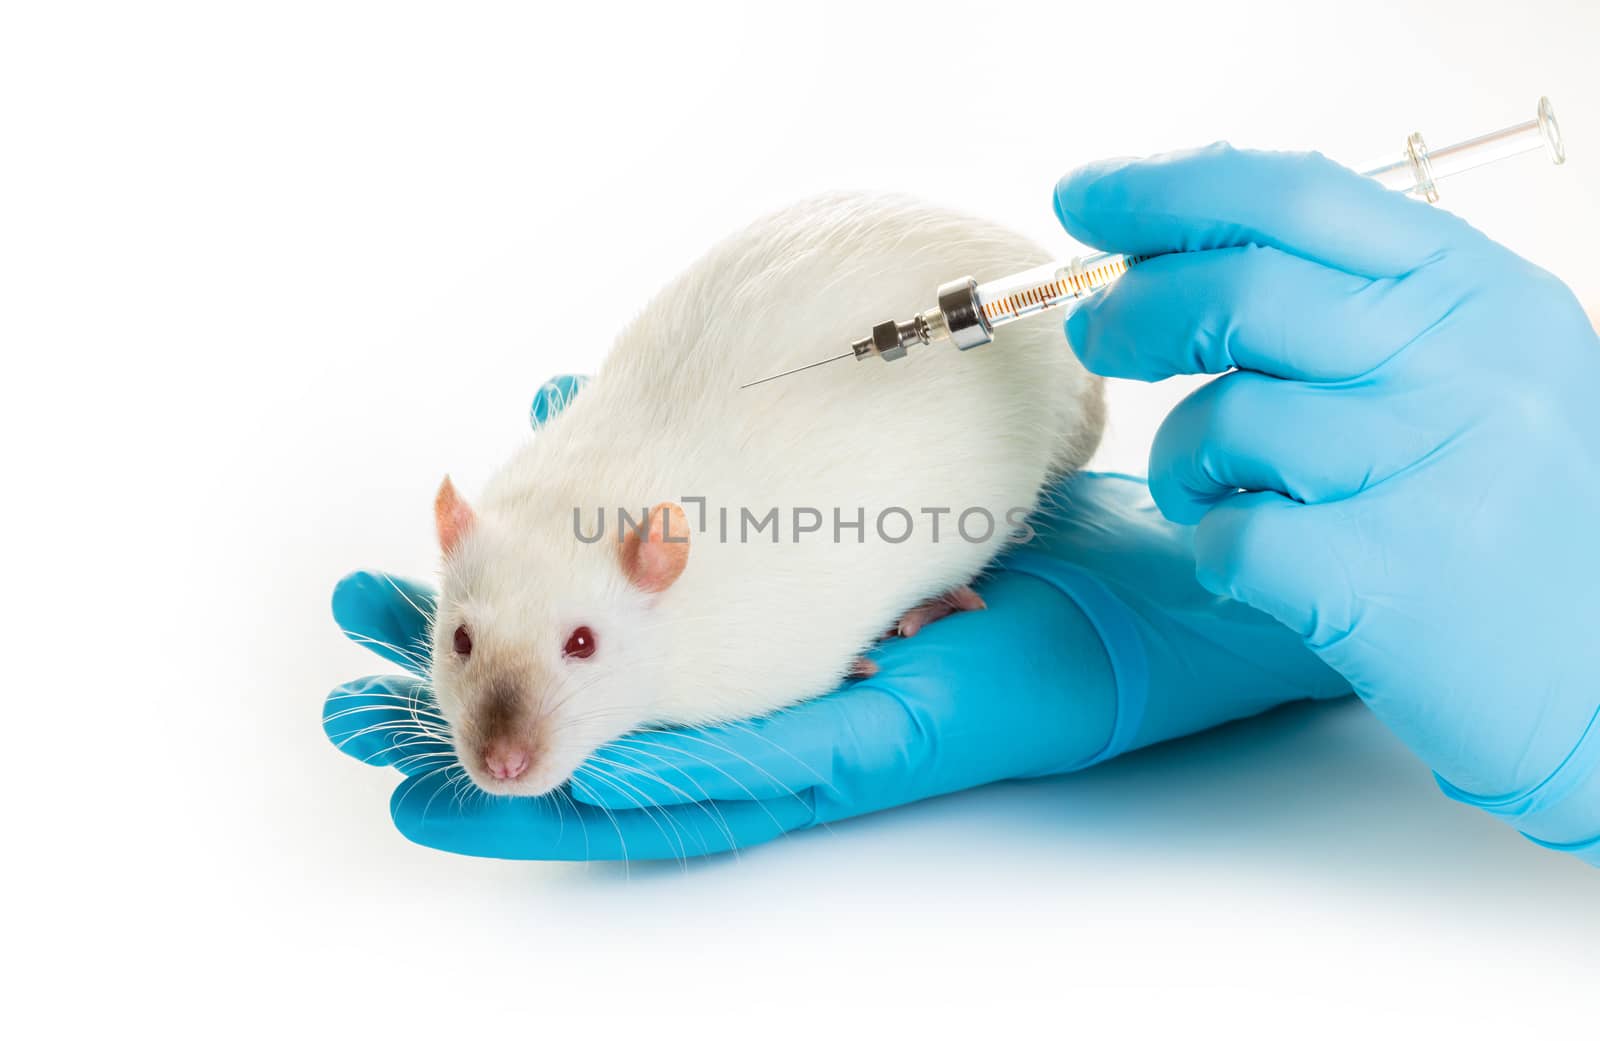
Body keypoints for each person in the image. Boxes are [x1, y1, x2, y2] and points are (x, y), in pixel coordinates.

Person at [325, 147, 1599, 865]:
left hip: (988, 364)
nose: (502, 742)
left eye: (583, 650)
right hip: (849, 308)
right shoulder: (514, 521)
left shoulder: (717, 633)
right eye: (463, 648)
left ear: (661, 569)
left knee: (944, 445)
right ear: (458, 548)